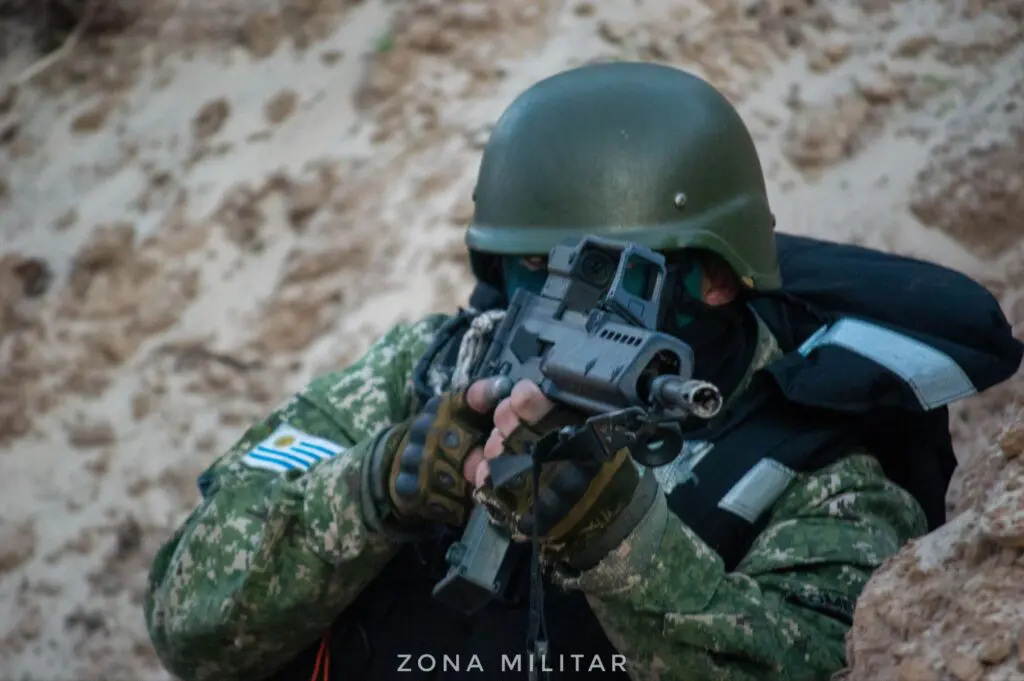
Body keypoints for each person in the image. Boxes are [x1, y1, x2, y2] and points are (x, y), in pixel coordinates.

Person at [143, 62, 1023, 681]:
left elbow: (822, 658)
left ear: (716, 278)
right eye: (534, 268)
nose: (554, 301)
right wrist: (369, 490)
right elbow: (187, 621)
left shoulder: (811, 461)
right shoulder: (420, 370)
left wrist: (623, 541)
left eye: (609, 274)